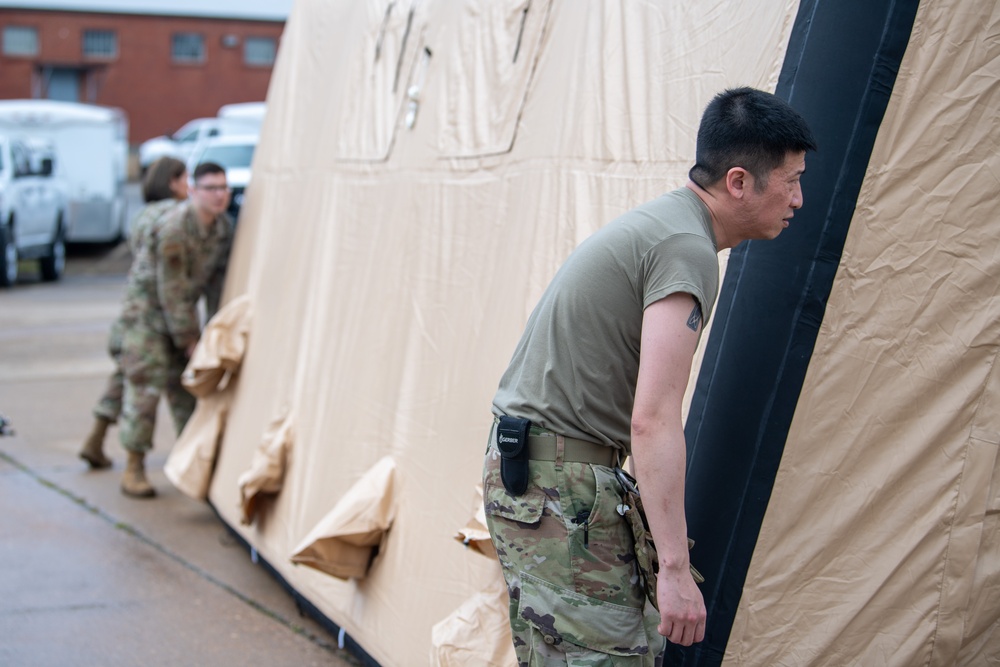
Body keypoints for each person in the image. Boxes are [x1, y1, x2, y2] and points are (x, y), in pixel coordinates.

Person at [484, 87, 817, 665]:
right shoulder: (685, 248)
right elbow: (654, 417)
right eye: (790, 181)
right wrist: (675, 571)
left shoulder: (666, 225)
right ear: (739, 182)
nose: (800, 199)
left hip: (539, 471)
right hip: (562, 484)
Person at [116, 161, 234, 498]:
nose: (219, 195)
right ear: (193, 191)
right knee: (145, 390)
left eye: (223, 188)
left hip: (179, 317)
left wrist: (215, 332)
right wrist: (190, 341)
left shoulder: (222, 230)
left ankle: (190, 467)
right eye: (210, 188)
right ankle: (134, 467)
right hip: (147, 316)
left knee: (188, 394)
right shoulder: (174, 229)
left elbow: (216, 287)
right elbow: (172, 291)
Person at [79, 156, 189, 469]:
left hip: (131, 314)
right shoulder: (174, 216)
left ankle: (96, 438)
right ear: (172, 182)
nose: (189, 186)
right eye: (185, 179)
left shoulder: (142, 216)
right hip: (155, 317)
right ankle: (135, 465)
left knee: (125, 375)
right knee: (146, 389)